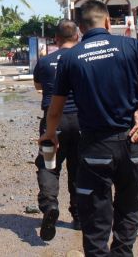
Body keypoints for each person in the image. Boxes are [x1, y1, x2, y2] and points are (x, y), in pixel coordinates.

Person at [40, 0, 138, 257]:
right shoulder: (131, 45)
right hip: (131, 142)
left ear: (80, 29)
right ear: (107, 22)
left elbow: (56, 109)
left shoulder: (70, 57)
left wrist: (50, 134)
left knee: (94, 217)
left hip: (94, 148)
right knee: (129, 207)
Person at [32, 19, 82, 241]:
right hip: (82, 121)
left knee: (49, 165)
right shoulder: (84, 58)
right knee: (79, 167)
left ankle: (50, 204)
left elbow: (39, 87)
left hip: (54, 122)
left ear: (56, 39)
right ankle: (79, 216)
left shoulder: (44, 62)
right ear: (77, 37)